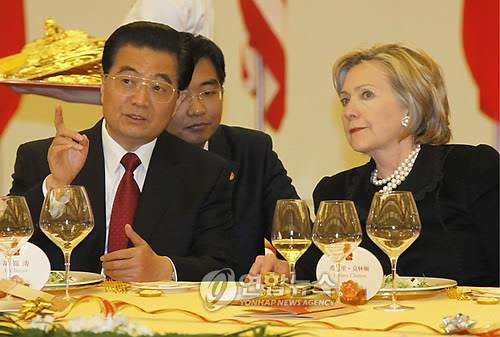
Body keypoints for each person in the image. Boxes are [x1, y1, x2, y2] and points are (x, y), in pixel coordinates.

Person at [250, 43, 499, 287]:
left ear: (410, 106)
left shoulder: (470, 169)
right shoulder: (335, 191)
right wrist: (284, 270)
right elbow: (317, 273)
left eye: (366, 95)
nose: (349, 111)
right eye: (345, 100)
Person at [9, 22, 234, 282]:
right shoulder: (41, 158)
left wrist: (166, 269)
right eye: (127, 81)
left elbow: (223, 266)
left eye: (158, 88)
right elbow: (10, 249)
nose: (140, 100)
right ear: (103, 86)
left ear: (176, 101)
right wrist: (56, 184)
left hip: (159, 319)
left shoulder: (205, 173)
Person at [166, 35, 299, 278]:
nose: (197, 109)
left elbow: (297, 235)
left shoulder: (251, 151)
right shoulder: (139, 159)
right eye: (182, 96)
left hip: (240, 308)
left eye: (208, 92)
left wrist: (286, 266)